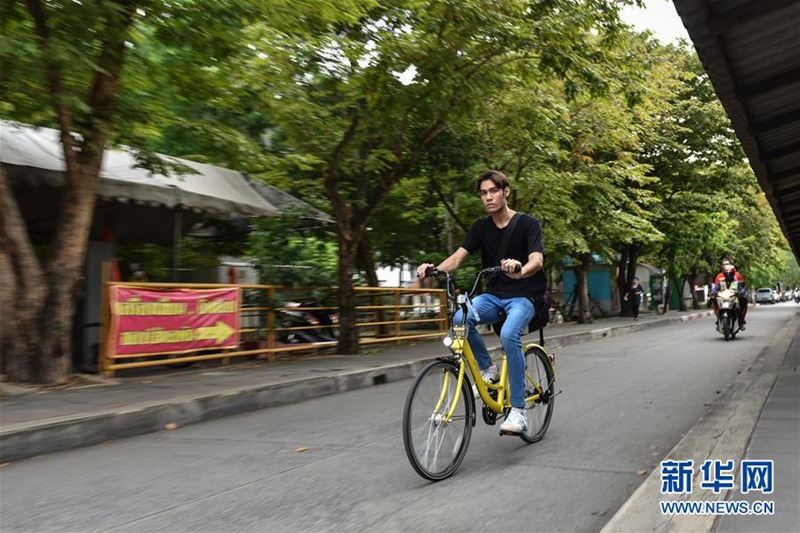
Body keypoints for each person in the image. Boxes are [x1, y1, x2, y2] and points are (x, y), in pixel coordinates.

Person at [416, 170, 546, 435]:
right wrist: (433, 270)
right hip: (495, 295)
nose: (488, 197)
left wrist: (520, 269)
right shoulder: (480, 227)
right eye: (484, 193)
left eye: (494, 191)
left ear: (506, 192)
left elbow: (537, 260)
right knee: (459, 319)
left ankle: (518, 411)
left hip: (524, 296)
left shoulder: (528, 223)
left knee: (509, 334)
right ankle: (488, 367)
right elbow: (457, 259)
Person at [710, 258, 747, 330]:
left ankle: (740, 322)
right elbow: (715, 288)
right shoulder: (721, 281)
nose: (728, 275)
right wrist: (711, 293)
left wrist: (740, 293)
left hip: (734, 299)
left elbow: (742, 288)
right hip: (723, 299)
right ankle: (719, 320)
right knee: (715, 303)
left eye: (730, 273)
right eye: (726, 273)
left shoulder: (737, 281)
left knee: (738, 308)